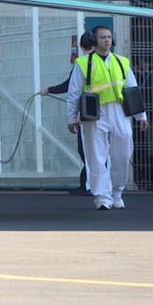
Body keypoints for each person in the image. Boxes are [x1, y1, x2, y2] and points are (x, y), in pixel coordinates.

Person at [64, 26, 149, 210]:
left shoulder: (122, 62)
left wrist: (140, 115)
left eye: (109, 37)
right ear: (94, 40)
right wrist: (71, 118)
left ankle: (117, 192)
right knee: (96, 155)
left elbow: (133, 90)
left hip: (119, 111)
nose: (107, 40)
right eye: (103, 37)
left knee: (123, 153)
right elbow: (73, 92)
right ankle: (103, 196)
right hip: (94, 112)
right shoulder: (82, 63)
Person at [39, 32, 96, 193]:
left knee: (85, 149)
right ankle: (93, 184)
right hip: (102, 110)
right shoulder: (104, 62)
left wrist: (48, 90)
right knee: (97, 150)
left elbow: (69, 87)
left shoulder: (82, 63)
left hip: (84, 111)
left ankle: (88, 185)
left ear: (81, 46)